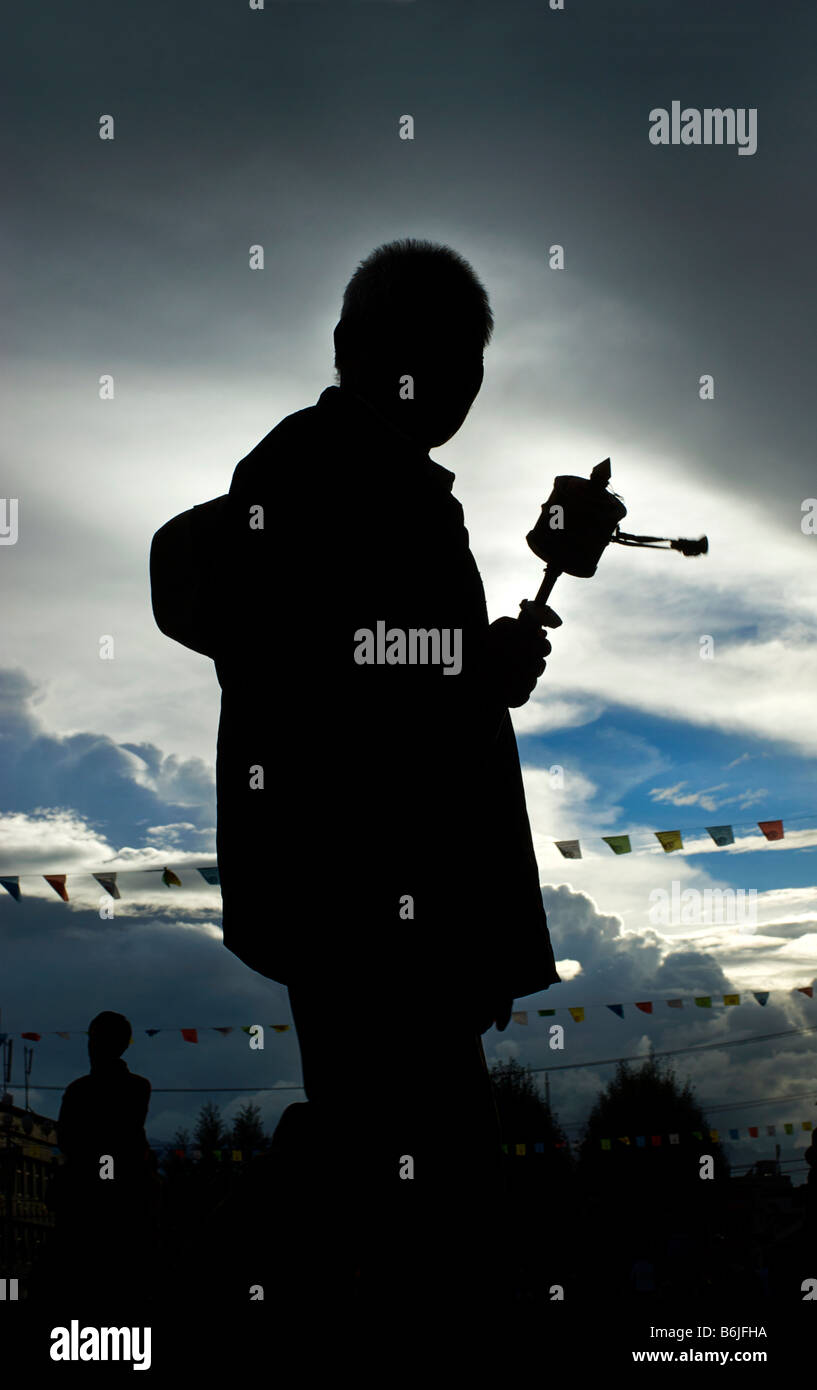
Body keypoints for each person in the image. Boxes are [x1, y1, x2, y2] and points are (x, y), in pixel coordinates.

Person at [151, 238, 561, 1322]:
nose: (454, 382)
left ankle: (258, 1258)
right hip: (359, 896)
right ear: (350, 351)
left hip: (398, 906)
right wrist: (466, 663)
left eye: (467, 362)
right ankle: (237, 1273)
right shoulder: (314, 469)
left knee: (411, 1173)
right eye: (431, 354)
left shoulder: (398, 489)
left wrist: (477, 671)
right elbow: (319, 645)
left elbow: (394, 678)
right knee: (423, 1187)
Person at [54, 1011, 156, 1302]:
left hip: (90, 1199)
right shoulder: (137, 1087)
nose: (91, 1047)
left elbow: (68, 1141)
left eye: (95, 1040)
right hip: (127, 1197)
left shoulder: (80, 1091)